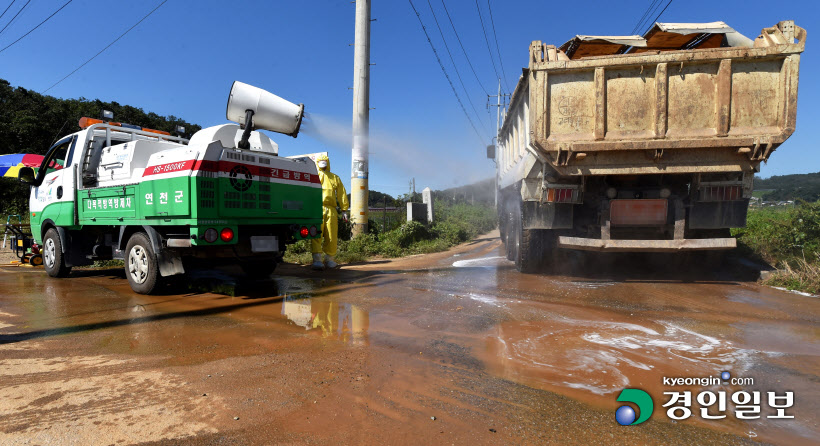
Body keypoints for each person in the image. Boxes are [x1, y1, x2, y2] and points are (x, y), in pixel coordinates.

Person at [312, 154, 349, 270]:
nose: (323, 162)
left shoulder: (335, 178)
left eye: (325, 161)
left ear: (328, 162)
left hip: (332, 209)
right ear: (317, 162)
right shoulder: (314, 176)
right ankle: (317, 259)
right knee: (316, 233)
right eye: (321, 161)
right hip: (316, 208)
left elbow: (341, 193)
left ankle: (330, 259)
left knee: (332, 234)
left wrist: (344, 210)